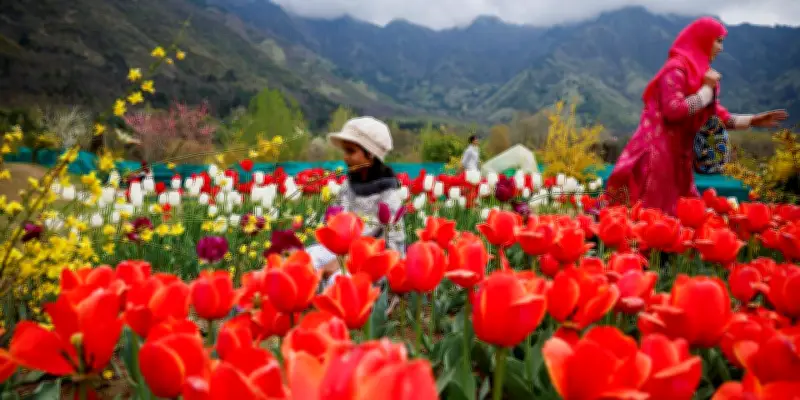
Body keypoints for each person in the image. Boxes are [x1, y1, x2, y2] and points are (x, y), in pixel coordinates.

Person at [606, 17, 788, 215]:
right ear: (702, 40)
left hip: (678, 160)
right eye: (718, 41)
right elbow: (674, 111)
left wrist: (752, 120)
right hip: (657, 160)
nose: (721, 48)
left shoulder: (699, 74)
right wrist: (706, 90)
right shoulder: (676, 69)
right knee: (652, 219)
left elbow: (715, 115)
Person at [306, 116, 406, 289]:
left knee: (338, 281)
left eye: (351, 151)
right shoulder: (348, 185)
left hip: (371, 262)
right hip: (342, 253)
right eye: (345, 151)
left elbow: (393, 248)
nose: (345, 157)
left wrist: (342, 262)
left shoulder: (388, 195)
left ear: (371, 153)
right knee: (304, 261)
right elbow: (335, 226)